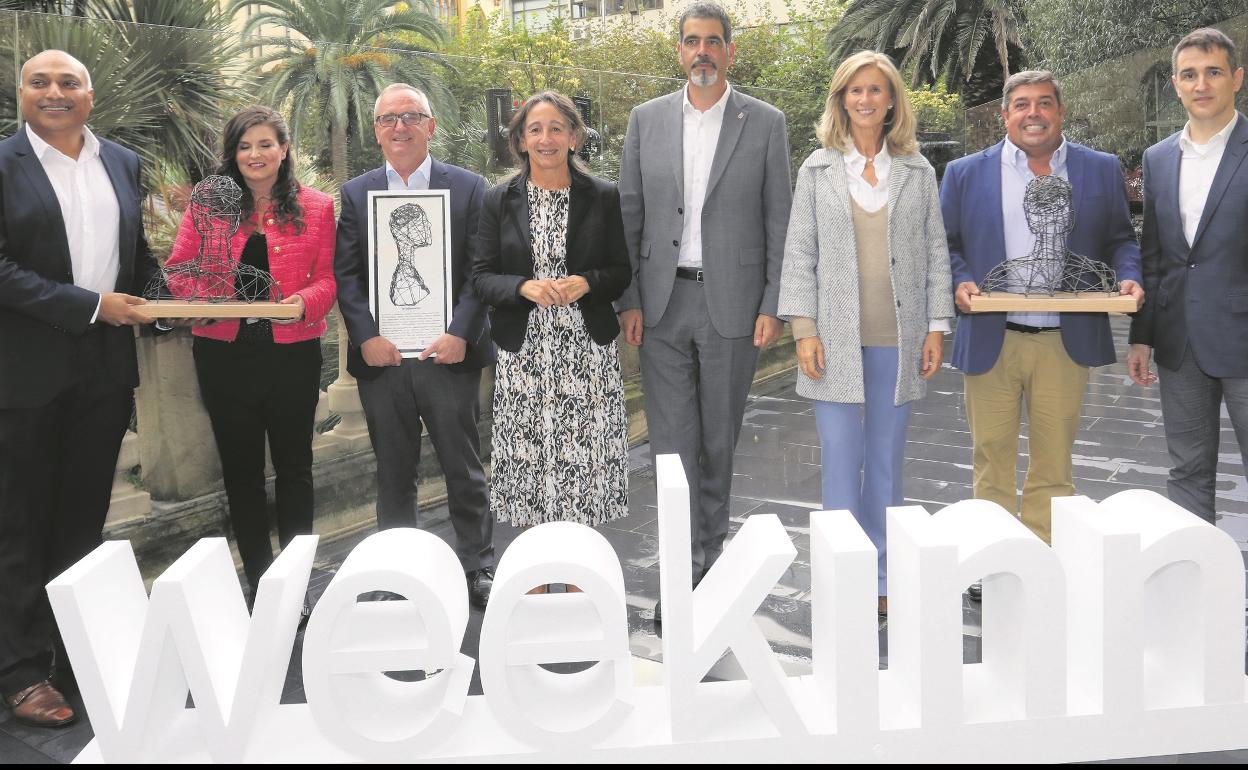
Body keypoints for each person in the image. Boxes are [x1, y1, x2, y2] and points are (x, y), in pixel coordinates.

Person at [616, 1, 792, 620]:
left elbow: (780, 221)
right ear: (679, 50)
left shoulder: (764, 123)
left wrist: (774, 303)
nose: (702, 53)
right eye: (691, 42)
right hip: (662, 307)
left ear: (729, 52)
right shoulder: (646, 120)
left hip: (734, 308)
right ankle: (678, 571)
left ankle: (709, 563)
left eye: (713, 42)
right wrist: (630, 298)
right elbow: (630, 216)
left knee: (718, 441)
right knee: (672, 448)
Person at [0, 49, 161, 727]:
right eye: (41, 82)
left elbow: (137, 258)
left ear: (90, 96)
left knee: (82, 524)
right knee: (19, 527)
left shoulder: (121, 162)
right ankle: (21, 670)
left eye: (69, 82)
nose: (55, 91)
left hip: (104, 372)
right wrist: (92, 306)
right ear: (21, 93)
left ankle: (73, 656)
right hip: (24, 375)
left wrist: (170, 297)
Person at [777, 51, 953, 617]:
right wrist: (803, 328)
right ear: (841, 99)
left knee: (885, 458)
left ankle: (882, 574)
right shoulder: (816, 169)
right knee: (839, 457)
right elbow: (799, 253)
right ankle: (840, 575)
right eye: (855, 90)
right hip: (833, 341)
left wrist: (936, 324)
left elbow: (934, 256)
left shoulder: (919, 171)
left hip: (897, 340)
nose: (865, 100)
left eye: (876, 90)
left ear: (892, 100)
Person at [941, 70, 1143, 545]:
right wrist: (961, 279)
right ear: (1004, 115)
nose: (1034, 113)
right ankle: (990, 557)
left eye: (1045, 103)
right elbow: (945, 245)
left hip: (1064, 342)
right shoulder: (965, 173)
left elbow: (1120, 239)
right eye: (1023, 104)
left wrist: (1129, 274)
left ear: (1060, 111)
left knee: (1055, 460)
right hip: (994, 336)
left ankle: (1043, 553)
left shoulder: (1099, 168)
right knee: (991, 456)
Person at [164, 106, 337, 606]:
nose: (255, 155)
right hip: (223, 357)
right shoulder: (208, 203)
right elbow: (178, 270)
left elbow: (329, 279)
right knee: (241, 473)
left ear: (284, 149)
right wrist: (209, 293)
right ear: (232, 154)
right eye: (244, 146)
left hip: (292, 357)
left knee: (295, 469)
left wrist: (303, 302)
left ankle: (296, 582)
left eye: (265, 144)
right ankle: (261, 581)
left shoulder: (318, 207)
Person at [334, 84, 497, 608]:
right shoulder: (357, 194)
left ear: (431, 126)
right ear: (376, 130)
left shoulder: (470, 188)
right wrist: (366, 336)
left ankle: (475, 565)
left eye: (411, 117)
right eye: (387, 119)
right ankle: (398, 570)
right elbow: (348, 275)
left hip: (447, 355)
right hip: (383, 360)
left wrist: (460, 333)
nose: (399, 127)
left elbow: (480, 270)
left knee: (463, 464)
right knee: (392, 470)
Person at [470, 90, 631, 558]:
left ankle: (582, 584)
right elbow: (481, 278)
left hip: (586, 354)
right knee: (530, 473)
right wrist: (523, 287)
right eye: (535, 130)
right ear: (519, 141)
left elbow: (621, 271)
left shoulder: (602, 196)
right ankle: (535, 584)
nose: (546, 138)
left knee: (583, 470)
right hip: (525, 356)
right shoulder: (498, 199)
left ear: (575, 137)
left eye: (557, 128)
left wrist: (587, 282)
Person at [1127, 28, 1248, 525]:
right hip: (1179, 343)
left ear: (1237, 79)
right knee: (1187, 470)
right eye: (1190, 74)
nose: (1202, 84)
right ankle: (1197, 586)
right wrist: (1142, 337)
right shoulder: (1157, 159)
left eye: (1214, 72)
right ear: (1175, 84)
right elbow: (1153, 254)